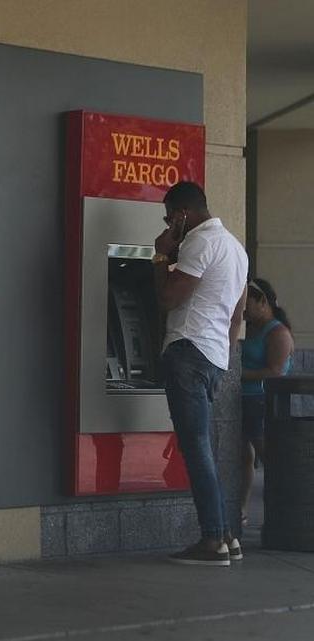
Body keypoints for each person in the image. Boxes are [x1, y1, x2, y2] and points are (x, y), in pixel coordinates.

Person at [153, 181, 247, 567]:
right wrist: (221, 360)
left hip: (188, 352)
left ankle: (212, 541)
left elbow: (167, 298)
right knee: (205, 449)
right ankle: (227, 535)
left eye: (169, 216)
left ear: (181, 214)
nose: (169, 223)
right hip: (212, 355)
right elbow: (236, 317)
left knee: (196, 450)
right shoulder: (236, 249)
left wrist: (161, 256)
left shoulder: (200, 242)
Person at [239, 277, 294, 526]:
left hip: (261, 400)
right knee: (242, 457)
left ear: (262, 301)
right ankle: (240, 509)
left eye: (246, 303)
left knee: (269, 456)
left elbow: (275, 371)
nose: (242, 310)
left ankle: (284, 510)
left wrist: (236, 376)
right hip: (241, 400)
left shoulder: (277, 332)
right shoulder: (249, 328)